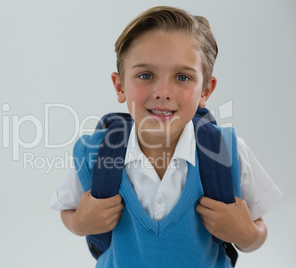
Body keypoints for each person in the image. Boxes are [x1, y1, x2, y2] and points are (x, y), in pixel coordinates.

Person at [50, 6, 283, 267]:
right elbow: (68, 208)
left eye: (182, 77)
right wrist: (80, 224)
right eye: (146, 75)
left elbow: (258, 229)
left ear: (205, 90)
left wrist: (247, 234)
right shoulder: (93, 153)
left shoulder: (228, 151)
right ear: (120, 86)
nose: (163, 91)